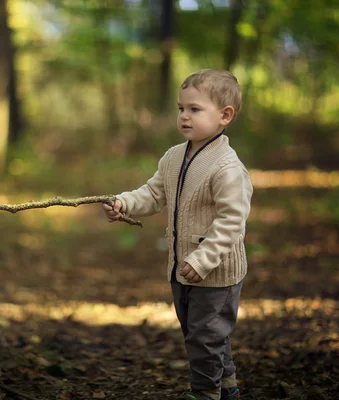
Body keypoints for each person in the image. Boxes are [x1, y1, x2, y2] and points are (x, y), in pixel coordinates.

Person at [102, 69, 253, 400]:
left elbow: (231, 221)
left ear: (225, 116)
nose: (184, 116)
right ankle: (227, 388)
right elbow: (154, 194)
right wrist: (124, 203)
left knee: (204, 337)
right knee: (201, 334)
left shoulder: (227, 168)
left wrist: (203, 259)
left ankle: (204, 393)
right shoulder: (174, 156)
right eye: (181, 108)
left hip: (215, 275)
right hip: (181, 269)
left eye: (195, 109)